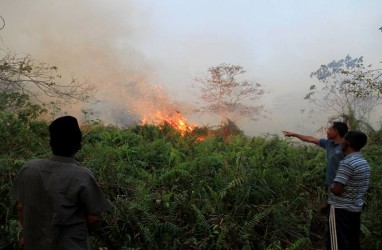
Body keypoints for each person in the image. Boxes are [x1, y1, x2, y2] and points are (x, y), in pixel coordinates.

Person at [11, 116, 110, 250]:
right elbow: (94, 217)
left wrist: (27, 236)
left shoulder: (28, 169)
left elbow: (21, 208)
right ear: (79, 145)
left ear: (51, 143)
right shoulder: (82, 176)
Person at [327, 131, 370, 250]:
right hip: (355, 209)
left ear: (348, 143)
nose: (341, 142)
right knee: (351, 241)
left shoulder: (347, 163)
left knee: (337, 244)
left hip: (341, 210)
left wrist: (331, 186)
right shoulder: (363, 162)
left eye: (343, 140)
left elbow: (337, 190)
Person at [283, 121, 349, 187]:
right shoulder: (329, 143)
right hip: (332, 185)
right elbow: (310, 139)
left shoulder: (347, 147)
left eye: (329, 130)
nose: (327, 132)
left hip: (343, 186)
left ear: (336, 131)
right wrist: (294, 134)